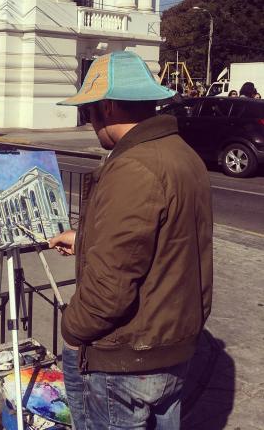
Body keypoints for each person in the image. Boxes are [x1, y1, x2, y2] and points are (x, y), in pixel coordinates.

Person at [49, 51, 213, 430]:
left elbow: (109, 290)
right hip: (171, 347)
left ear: (106, 107)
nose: (89, 122)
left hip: (126, 360)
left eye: (88, 112)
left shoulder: (134, 166)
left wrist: (72, 330)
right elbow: (167, 241)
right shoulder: (180, 153)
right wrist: (87, 238)